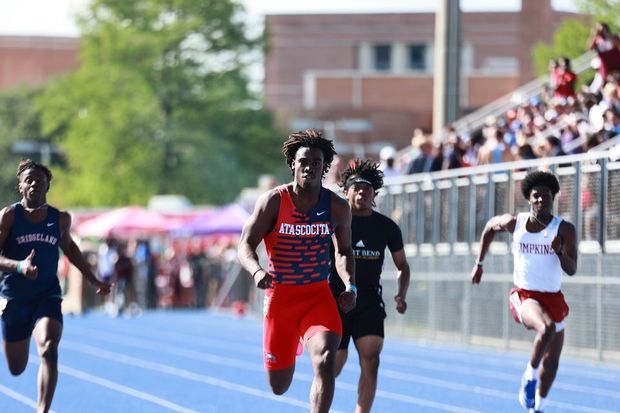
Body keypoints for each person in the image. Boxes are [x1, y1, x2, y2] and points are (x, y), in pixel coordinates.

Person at [238, 129, 356, 413]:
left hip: (318, 297)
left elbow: (343, 251)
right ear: (293, 164)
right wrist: (256, 272)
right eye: (304, 161)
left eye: (316, 162)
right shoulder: (274, 202)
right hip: (281, 301)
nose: (309, 167)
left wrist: (350, 285)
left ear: (324, 167)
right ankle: (292, 342)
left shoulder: (337, 207)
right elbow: (245, 245)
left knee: (326, 360)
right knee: (279, 386)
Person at [0, 159, 111, 413]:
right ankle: (25, 330)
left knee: (49, 348)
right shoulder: (8, 217)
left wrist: (94, 279)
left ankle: (43, 410)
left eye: (40, 180)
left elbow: (70, 248)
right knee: (16, 369)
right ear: (20, 187)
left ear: (47, 185)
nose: (34, 184)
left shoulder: (59, 219)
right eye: (28, 180)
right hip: (14, 299)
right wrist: (19, 267)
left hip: (46, 295)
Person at [470, 170, 577, 413]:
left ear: (553, 198)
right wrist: (479, 264)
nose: (541, 200)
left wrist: (559, 252)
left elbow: (572, 269)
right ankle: (528, 378)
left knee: (551, 365)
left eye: (546, 196)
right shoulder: (515, 222)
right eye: (536, 196)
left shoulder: (565, 230)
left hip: (553, 298)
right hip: (525, 296)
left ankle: (537, 407)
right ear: (529, 198)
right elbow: (489, 227)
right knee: (546, 327)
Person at [330, 159, 410, 413]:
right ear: (346, 192)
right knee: (333, 365)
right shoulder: (333, 222)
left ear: (374, 193)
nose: (362, 192)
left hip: (369, 303)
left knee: (371, 359)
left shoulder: (386, 227)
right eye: (356, 188)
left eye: (367, 189)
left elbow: (402, 267)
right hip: (337, 301)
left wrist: (401, 294)